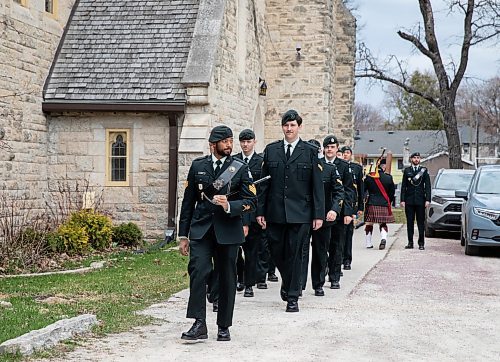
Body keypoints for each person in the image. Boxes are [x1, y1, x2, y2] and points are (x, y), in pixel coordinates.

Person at [178, 125, 256, 342]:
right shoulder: (198, 166)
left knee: (227, 277)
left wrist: (230, 205)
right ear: (213, 145)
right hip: (202, 230)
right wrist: (183, 235)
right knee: (198, 271)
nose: (230, 145)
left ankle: (223, 325)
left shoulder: (239, 168)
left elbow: (251, 202)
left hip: (228, 230)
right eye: (225, 142)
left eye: (231, 141)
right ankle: (199, 323)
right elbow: (188, 203)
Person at [257, 109, 324, 313]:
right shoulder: (271, 150)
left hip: (301, 213)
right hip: (275, 212)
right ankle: (288, 282)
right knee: (277, 252)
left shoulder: (310, 151)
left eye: (293, 125)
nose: (289, 128)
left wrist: (318, 214)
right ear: (282, 127)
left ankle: (292, 296)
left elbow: (317, 186)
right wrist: (260, 211)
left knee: (295, 254)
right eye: (286, 125)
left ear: (299, 127)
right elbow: (263, 184)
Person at [306, 139, 344, 296]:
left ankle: (318, 283)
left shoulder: (329, 169)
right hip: (302, 216)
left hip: (323, 217)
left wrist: (335, 210)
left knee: (320, 252)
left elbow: (339, 191)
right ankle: (298, 284)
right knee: (298, 252)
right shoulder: (300, 169)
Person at [234, 129, 266, 296]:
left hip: (254, 212)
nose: (245, 145)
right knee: (236, 250)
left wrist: (261, 213)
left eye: (248, 141)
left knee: (252, 250)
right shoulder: (234, 161)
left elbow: (263, 191)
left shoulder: (261, 162)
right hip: (237, 212)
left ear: (254, 142)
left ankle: (249, 284)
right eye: (243, 142)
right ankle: (240, 277)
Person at [323, 136, 355, 290]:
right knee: (322, 245)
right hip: (322, 212)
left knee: (337, 245)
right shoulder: (318, 165)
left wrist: (348, 212)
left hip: (340, 212)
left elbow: (349, 191)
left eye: (332, 147)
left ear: (337, 149)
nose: (330, 149)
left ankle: (334, 276)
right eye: (327, 147)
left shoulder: (343, 166)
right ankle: (322, 272)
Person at [400, 152, 431, 250]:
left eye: (418, 158)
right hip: (409, 200)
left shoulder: (424, 171)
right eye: (415, 158)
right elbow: (403, 186)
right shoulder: (407, 171)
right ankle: (410, 242)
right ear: (411, 159)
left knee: (420, 223)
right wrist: (402, 199)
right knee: (410, 222)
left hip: (420, 200)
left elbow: (428, 186)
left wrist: (428, 199)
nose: (416, 159)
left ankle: (421, 243)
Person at [340, 145, 364, 270]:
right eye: (343, 153)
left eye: (348, 152)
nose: (345, 155)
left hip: (351, 204)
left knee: (348, 233)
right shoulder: (337, 166)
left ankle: (347, 259)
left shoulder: (356, 168)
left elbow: (360, 188)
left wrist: (360, 206)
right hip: (339, 204)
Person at [363, 158, 395, 249]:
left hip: (372, 203)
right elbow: (391, 193)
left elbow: (364, 190)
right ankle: (383, 238)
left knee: (369, 223)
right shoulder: (388, 177)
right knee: (382, 223)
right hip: (384, 203)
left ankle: (368, 243)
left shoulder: (369, 177)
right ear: (383, 166)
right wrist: (389, 202)